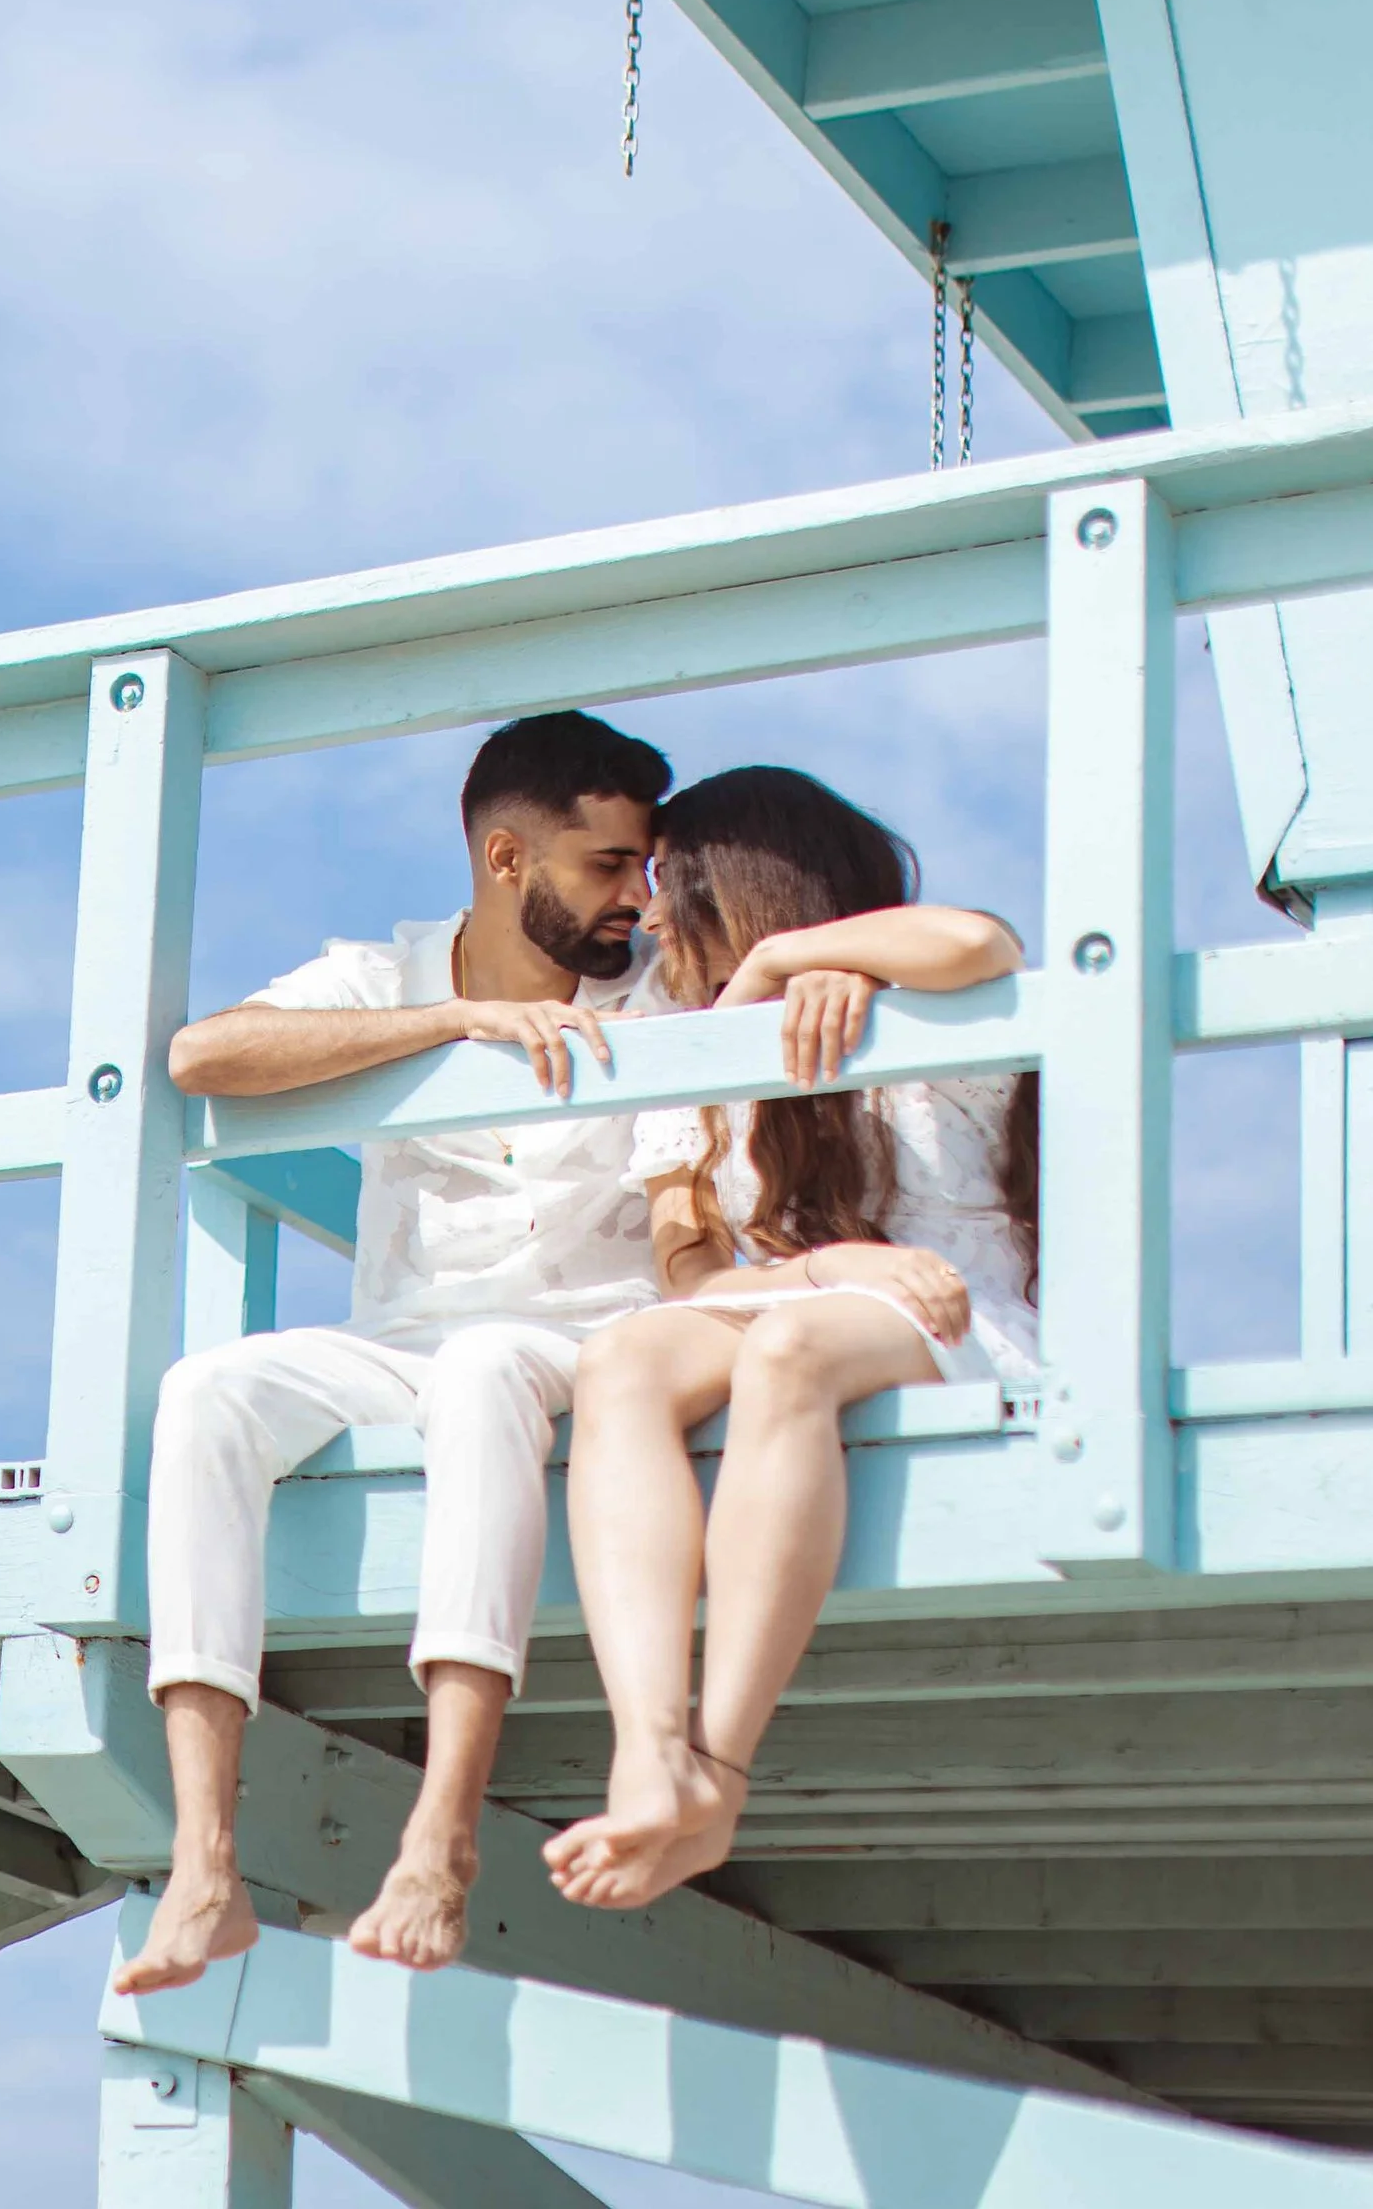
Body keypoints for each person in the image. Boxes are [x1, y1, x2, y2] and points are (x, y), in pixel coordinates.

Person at [111, 711, 675, 1996]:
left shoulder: (659, 979)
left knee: (485, 1367)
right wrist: (449, 1025)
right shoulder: (398, 971)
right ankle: (204, 1863)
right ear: (505, 857)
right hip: (399, 1344)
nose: (635, 896)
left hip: (596, 1343)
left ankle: (441, 1832)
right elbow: (207, 1054)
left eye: (645, 866)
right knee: (205, 1391)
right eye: (608, 865)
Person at [541, 766, 1035, 1914]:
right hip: (806, 1287)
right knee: (621, 1358)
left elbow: (978, 938)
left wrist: (780, 963)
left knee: (787, 1355)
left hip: (952, 1302)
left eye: (675, 882)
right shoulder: (694, 1045)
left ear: (749, 881)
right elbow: (693, 1268)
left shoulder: (911, 1001)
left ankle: (715, 1767)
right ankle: (646, 1746)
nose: (652, 915)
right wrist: (828, 1263)